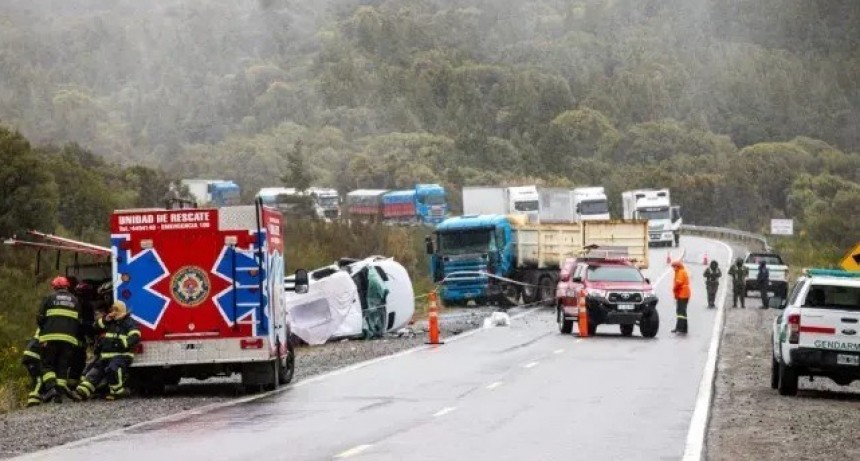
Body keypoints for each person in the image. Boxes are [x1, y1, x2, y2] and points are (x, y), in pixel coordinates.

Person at [75, 301, 141, 401]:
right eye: (112, 309)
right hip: (105, 356)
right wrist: (106, 319)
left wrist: (123, 344)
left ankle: (117, 392)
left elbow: (135, 335)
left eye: (116, 310)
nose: (113, 312)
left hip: (122, 355)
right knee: (95, 372)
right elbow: (95, 327)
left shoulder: (129, 321)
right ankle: (81, 393)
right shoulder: (110, 321)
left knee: (112, 369)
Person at [36, 276, 81, 403]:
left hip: (50, 338)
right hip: (68, 339)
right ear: (67, 287)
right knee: (62, 365)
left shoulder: (49, 298)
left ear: (54, 287)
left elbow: (39, 318)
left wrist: (44, 330)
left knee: (47, 364)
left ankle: (51, 388)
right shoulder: (75, 300)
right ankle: (59, 395)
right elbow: (78, 321)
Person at [21, 329, 44, 407]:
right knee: (39, 380)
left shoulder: (42, 328)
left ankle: (35, 399)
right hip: (33, 356)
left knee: (35, 379)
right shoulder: (49, 329)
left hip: (29, 355)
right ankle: (33, 401)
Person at [671, 260, 691, 334]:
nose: (673, 268)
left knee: (680, 312)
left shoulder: (680, 272)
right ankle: (684, 328)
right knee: (682, 311)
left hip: (682, 294)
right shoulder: (682, 271)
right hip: (684, 294)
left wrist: (674, 290)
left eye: (674, 267)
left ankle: (680, 328)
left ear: (677, 266)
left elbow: (678, 283)